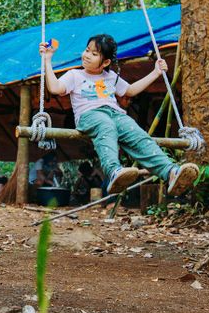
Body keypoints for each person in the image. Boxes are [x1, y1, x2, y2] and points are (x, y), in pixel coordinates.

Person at [39, 34, 199, 196]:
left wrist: (156, 73)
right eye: (87, 50)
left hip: (115, 114)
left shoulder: (110, 77)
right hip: (89, 115)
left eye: (94, 54)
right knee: (105, 125)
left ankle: (170, 172)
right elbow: (55, 88)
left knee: (137, 134)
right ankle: (113, 170)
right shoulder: (75, 75)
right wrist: (47, 60)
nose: (87, 56)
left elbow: (130, 91)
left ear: (106, 62)